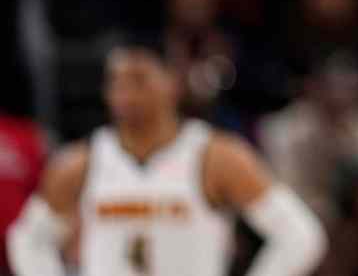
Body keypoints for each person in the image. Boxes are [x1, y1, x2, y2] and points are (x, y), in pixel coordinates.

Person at [6, 38, 326, 276]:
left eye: (138, 80)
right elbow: (26, 240)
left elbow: (301, 235)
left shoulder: (215, 158)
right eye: (116, 82)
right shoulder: (81, 162)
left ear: (172, 82)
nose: (124, 94)